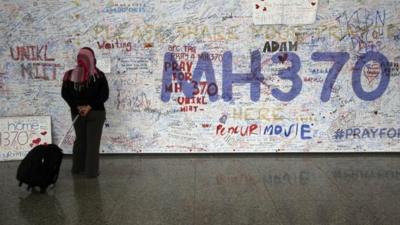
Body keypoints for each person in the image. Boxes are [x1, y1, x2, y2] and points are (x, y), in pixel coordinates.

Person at [61, 47, 109, 178]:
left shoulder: (69, 75)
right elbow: (104, 95)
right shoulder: (99, 75)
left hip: (77, 113)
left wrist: (77, 106)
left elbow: (64, 94)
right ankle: (91, 172)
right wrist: (89, 107)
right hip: (96, 113)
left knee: (80, 140)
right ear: (92, 59)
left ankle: (77, 168)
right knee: (93, 143)